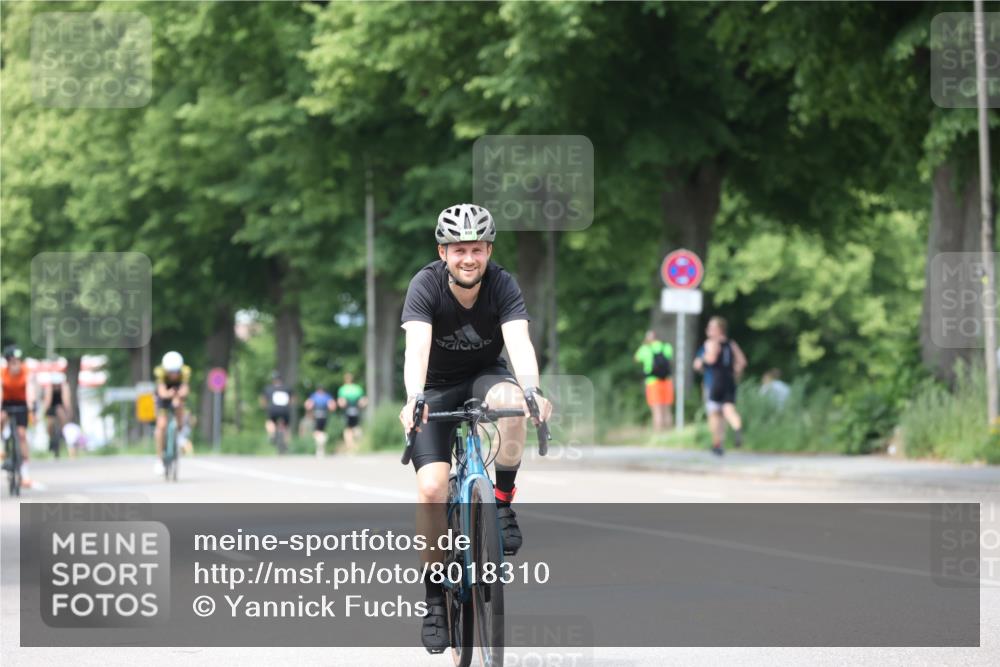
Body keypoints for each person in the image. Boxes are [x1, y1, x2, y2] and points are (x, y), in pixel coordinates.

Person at [399, 203, 553, 653]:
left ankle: (501, 500)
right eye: (460, 249)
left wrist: (533, 390)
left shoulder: (502, 283)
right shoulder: (425, 285)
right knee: (431, 488)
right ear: (443, 251)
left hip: (486, 376)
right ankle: (433, 600)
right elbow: (416, 349)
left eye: (477, 249)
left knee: (514, 403)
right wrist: (414, 399)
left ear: (489, 250)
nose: (469, 258)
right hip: (436, 386)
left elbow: (519, 341)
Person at [693, 316, 747, 456]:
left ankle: (717, 443)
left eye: (711, 328)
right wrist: (734, 372)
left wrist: (701, 360)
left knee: (714, 414)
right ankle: (737, 427)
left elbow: (711, 358)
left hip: (714, 382)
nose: (708, 330)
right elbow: (742, 362)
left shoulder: (711, 343)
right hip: (730, 381)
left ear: (718, 329)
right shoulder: (731, 344)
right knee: (728, 410)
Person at [1, 345, 35, 488]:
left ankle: (25, 474)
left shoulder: (26, 371)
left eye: (18, 361)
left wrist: (31, 405)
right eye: (13, 362)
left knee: (21, 435)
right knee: (1, 418)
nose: (16, 365)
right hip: (6, 401)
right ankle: (2, 446)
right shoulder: (3, 373)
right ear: (8, 362)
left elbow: (30, 388)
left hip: (22, 402)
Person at [153, 351, 191, 474]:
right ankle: (159, 460)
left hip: (177, 395)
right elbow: (162, 392)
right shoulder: (161, 373)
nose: (173, 374)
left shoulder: (184, 372)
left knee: (180, 406)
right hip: (163, 398)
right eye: (171, 371)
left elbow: (185, 389)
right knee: (161, 426)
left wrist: (179, 395)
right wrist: (169, 394)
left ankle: (180, 435)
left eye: (176, 371)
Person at [634, 330, 674, 431]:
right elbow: (670, 357)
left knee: (657, 410)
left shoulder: (645, 348)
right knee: (667, 409)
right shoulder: (666, 347)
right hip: (666, 381)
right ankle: (669, 434)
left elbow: (636, 358)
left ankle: (658, 435)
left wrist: (644, 344)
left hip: (652, 382)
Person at [260, 371, 293, 453]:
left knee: (270, 422)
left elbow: (263, 400)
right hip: (285, 410)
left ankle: (272, 435)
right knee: (286, 427)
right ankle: (286, 442)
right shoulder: (287, 388)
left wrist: (265, 407)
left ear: (273, 380)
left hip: (273, 410)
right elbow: (292, 399)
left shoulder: (269, 388)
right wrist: (288, 406)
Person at [43, 369, 72, 458]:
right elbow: (47, 402)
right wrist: (45, 412)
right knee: (50, 424)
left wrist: (68, 412)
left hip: (61, 406)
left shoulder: (64, 387)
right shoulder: (49, 388)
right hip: (51, 406)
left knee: (60, 411)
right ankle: (51, 438)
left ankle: (63, 432)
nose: (56, 387)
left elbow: (66, 401)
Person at [336, 373, 367, 453]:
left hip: (347, 410)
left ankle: (350, 446)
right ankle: (357, 444)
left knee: (347, 430)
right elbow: (363, 401)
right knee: (356, 427)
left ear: (345, 380)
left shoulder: (343, 389)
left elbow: (341, 402)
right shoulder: (358, 388)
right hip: (356, 410)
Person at [305, 384, 335, 457]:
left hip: (317, 415)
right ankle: (322, 445)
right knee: (323, 431)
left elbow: (308, 405)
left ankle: (319, 447)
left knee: (317, 432)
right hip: (324, 415)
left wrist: (309, 412)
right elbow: (332, 405)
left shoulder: (314, 396)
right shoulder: (327, 396)